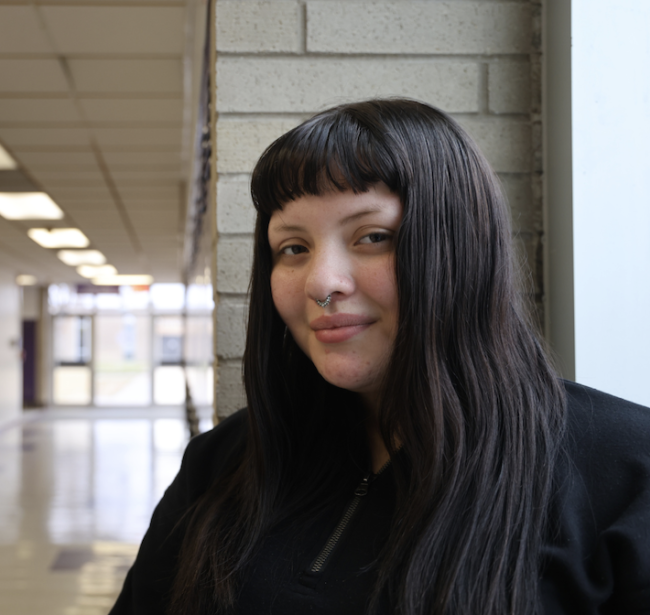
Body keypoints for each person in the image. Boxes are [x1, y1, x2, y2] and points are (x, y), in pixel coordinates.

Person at [110, 99, 650, 615]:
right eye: (293, 248)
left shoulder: (627, 470)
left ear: (461, 250)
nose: (322, 285)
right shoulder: (221, 464)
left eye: (372, 236)